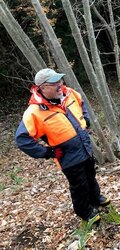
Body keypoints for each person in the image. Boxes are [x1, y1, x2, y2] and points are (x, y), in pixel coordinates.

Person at [15, 68, 110, 223]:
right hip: (68, 157)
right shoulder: (34, 112)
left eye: (59, 80)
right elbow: (22, 140)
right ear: (43, 87)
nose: (60, 85)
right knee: (79, 185)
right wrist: (48, 152)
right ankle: (84, 212)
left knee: (91, 176)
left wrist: (85, 120)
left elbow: (81, 103)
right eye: (54, 83)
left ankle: (96, 198)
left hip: (85, 148)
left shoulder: (69, 93)